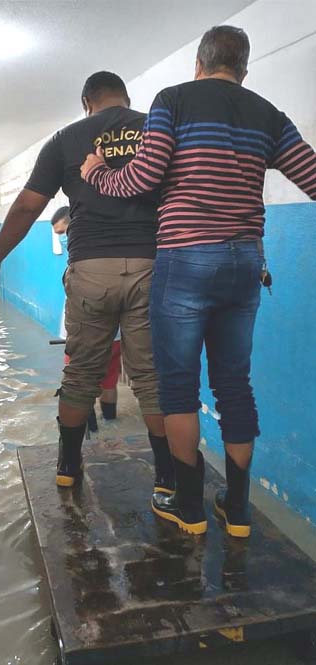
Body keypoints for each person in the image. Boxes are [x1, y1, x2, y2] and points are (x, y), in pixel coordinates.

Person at [81, 26, 316, 536]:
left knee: (178, 386)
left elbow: (141, 179)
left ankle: (188, 508)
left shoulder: (173, 101)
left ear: (198, 63)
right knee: (234, 384)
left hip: (186, 259)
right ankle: (238, 510)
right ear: (244, 70)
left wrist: (97, 170)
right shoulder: (269, 115)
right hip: (244, 263)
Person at [0, 71, 173, 493]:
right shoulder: (157, 127)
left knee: (80, 373)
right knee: (150, 377)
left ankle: (68, 464)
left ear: (87, 102)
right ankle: (168, 475)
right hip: (152, 265)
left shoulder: (64, 139)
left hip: (91, 267)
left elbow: (27, 206)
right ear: (126, 99)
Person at [52, 206, 121, 423]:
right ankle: (110, 424)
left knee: (80, 382)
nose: (63, 239)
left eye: (63, 233)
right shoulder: (111, 250)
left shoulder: (81, 260)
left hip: (83, 335)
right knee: (109, 380)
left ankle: (86, 430)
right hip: (115, 335)